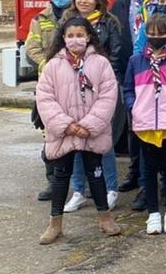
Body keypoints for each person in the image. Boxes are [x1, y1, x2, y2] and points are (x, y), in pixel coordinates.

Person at [35, 16, 122, 244]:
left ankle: (105, 218)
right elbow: (44, 98)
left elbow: (108, 96)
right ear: (63, 38)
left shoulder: (101, 64)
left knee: (96, 173)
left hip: (91, 132)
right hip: (64, 133)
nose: (75, 40)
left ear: (89, 36)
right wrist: (66, 125)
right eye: (70, 35)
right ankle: (55, 224)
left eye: (80, 35)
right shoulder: (53, 65)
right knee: (61, 177)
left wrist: (89, 125)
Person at [123, 13, 166, 235]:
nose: (155, 37)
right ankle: (153, 214)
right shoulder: (136, 61)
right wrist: (134, 107)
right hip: (145, 126)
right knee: (148, 172)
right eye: (150, 34)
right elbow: (127, 90)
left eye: (160, 33)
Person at [62, 0, 123, 213]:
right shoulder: (66, 22)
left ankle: (111, 189)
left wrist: (108, 87)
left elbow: (116, 56)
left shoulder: (109, 22)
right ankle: (78, 191)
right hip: (72, 90)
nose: (84, 1)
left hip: (100, 90)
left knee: (102, 142)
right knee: (76, 142)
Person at [111, 0, 159, 208]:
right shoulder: (120, 5)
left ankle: (150, 180)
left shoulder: (164, 2)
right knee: (133, 126)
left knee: (155, 127)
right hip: (132, 74)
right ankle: (134, 171)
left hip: (160, 74)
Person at [27, 0, 76, 201]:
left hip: (74, 84)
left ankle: (79, 185)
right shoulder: (40, 18)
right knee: (50, 135)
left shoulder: (76, 16)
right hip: (48, 85)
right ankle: (53, 182)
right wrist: (51, 65)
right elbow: (32, 48)